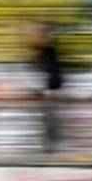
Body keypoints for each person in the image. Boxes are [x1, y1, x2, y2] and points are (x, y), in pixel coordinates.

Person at [26, 22, 65, 154]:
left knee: (49, 118)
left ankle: (50, 146)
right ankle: (49, 145)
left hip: (49, 89)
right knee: (48, 118)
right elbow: (40, 69)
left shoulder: (48, 50)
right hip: (47, 89)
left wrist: (50, 89)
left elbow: (52, 71)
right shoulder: (44, 51)